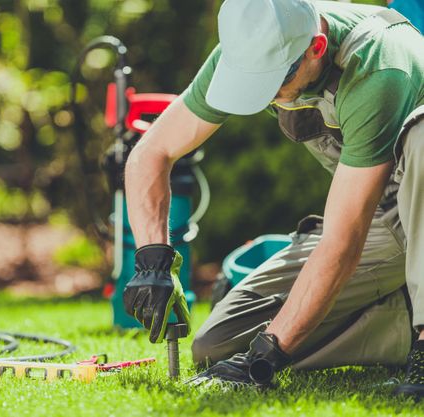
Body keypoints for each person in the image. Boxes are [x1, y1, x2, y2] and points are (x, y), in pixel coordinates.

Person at [122, 0, 424, 397]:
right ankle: (404, 316)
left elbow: (342, 242)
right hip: (383, 219)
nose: (267, 94)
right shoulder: (253, 44)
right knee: (217, 345)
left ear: (316, 47)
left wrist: (266, 354)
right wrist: (152, 261)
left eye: (273, 82)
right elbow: (151, 153)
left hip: (409, 210)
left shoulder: (379, 66)